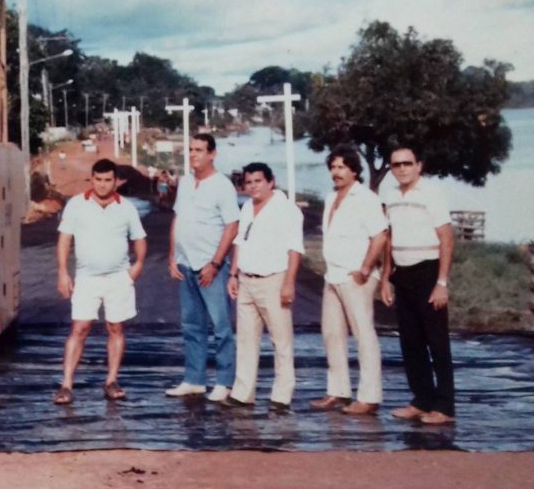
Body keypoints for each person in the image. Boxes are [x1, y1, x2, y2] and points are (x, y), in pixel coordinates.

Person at [54, 158, 148, 405]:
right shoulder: (76, 205)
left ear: (116, 181)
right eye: (98, 179)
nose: (103, 185)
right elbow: (64, 240)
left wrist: (137, 265)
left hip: (119, 278)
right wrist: (63, 272)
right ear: (92, 179)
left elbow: (139, 238)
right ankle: (66, 385)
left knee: (115, 328)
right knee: (80, 328)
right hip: (87, 278)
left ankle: (111, 380)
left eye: (108, 180)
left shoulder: (126, 207)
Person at [380, 145, 456, 425]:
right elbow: (389, 238)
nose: (401, 169)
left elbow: (446, 238)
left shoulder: (432, 194)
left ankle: (445, 407)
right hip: (403, 273)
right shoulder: (390, 196)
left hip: (428, 272)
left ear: (419, 166)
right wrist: (387, 277)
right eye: (396, 164)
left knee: (436, 342)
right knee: (410, 342)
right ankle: (422, 399)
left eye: (407, 163)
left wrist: (442, 283)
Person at [309, 146, 388, 415]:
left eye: (342, 167)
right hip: (333, 274)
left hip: (356, 277)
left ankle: (369, 397)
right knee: (332, 334)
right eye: (333, 167)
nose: (336, 172)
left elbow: (380, 236)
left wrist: (365, 269)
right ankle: (339, 392)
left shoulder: (365, 198)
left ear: (355, 170)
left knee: (364, 335)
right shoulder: (332, 198)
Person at [165, 133, 240, 402]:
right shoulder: (185, 182)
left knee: (221, 327)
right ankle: (194, 380)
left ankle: (224, 382)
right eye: (191, 150)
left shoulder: (222, 186)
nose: (194, 154)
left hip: (211, 268)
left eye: (199, 150)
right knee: (192, 326)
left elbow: (232, 226)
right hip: (185, 264)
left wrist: (216, 263)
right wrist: (173, 255)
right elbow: (178, 218)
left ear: (212, 154)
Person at [225, 162, 304, 412]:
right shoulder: (247, 206)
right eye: (248, 182)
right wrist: (233, 273)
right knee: (246, 340)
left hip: (274, 280)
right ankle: (242, 393)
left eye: (258, 181)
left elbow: (295, 249)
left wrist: (289, 283)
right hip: (247, 281)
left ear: (271, 182)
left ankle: (281, 396)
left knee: (281, 341)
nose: (253, 186)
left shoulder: (287, 210)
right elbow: (239, 240)